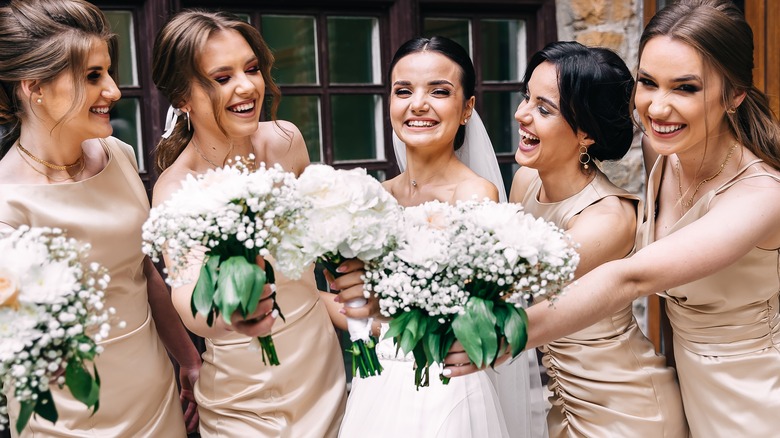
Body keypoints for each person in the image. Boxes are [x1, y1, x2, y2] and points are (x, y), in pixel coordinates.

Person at [446, 1, 780, 436]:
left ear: (734, 95)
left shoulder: (761, 195)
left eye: (685, 88)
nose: (658, 108)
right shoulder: (662, 153)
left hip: (756, 398)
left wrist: (509, 332)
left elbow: (631, 278)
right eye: (647, 83)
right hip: (681, 392)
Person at [324, 36, 547, 438]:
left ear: (466, 109)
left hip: (446, 387)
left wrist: (375, 311)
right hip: (375, 388)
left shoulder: (476, 196)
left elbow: (470, 318)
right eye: (403, 91)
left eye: (439, 92)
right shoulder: (372, 199)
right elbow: (357, 309)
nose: (418, 104)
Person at [0, 0, 200, 436]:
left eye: (108, 71)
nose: (113, 90)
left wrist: (187, 358)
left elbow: (142, 269)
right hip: (66, 414)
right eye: (93, 76)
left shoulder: (119, 156)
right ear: (34, 86)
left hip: (153, 392)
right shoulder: (5, 205)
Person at [150, 10, 347, 437]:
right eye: (222, 78)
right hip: (247, 393)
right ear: (182, 98)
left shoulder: (287, 140)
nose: (247, 86)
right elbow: (185, 297)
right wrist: (231, 316)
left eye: (252, 69)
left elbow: (317, 254)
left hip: (321, 364)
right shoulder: (176, 187)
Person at [509, 41, 687, 437]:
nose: (521, 115)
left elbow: (508, 285)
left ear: (586, 132)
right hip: (565, 400)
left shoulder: (608, 219)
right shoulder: (524, 182)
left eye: (543, 108)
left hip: (627, 409)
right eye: (526, 98)